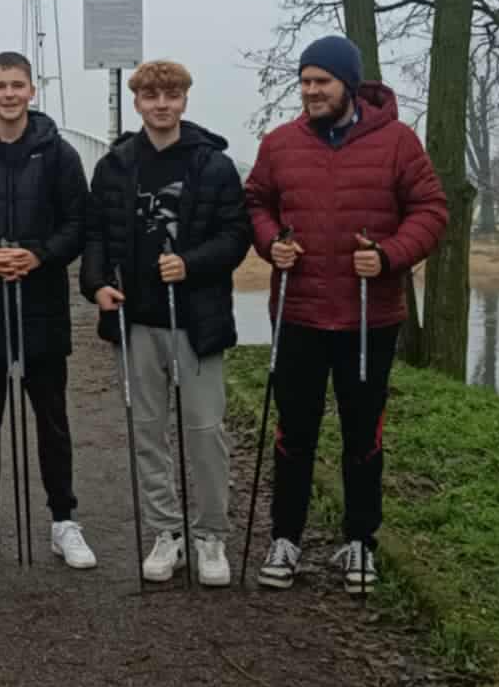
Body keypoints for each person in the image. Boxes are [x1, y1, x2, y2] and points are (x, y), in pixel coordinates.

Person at [243, 35, 448, 595]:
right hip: (299, 313)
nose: (311, 91)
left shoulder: (398, 142)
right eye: (305, 82)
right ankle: (285, 538)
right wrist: (271, 243)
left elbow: (432, 209)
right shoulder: (280, 143)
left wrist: (389, 256)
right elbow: (256, 202)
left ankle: (360, 540)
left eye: (322, 82)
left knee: (362, 436)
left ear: (349, 85)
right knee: (294, 433)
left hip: (368, 318)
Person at [81, 60, 250, 587]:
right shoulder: (114, 166)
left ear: (184, 100)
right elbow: (95, 234)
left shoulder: (214, 165)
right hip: (135, 319)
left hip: (196, 320)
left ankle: (211, 534)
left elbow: (236, 236)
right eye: (152, 96)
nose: (161, 104)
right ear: (137, 102)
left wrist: (191, 264)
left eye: (171, 95)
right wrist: (95, 284)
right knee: (148, 432)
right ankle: (165, 531)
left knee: (205, 431)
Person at [0, 51, 95, 570]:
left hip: (41, 304)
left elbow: (78, 223)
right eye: (0, 85)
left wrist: (42, 254)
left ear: (32, 90)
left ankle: (64, 520)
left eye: (17, 85)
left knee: (52, 419)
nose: (9, 94)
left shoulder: (59, 154)